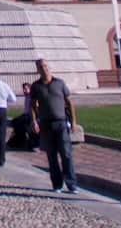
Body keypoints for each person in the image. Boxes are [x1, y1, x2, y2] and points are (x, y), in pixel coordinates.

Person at [27, 60, 79, 194]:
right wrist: (34, 121)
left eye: (45, 66)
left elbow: (69, 102)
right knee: (51, 155)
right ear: (37, 70)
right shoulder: (36, 86)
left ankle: (71, 184)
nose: (44, 69)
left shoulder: (59, 83)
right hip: (46, 124)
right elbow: (32, 105)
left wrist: (73, 121)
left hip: (61, 122)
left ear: (49, 67)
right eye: (40, 67)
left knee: (66, 154)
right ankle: (57, 184)